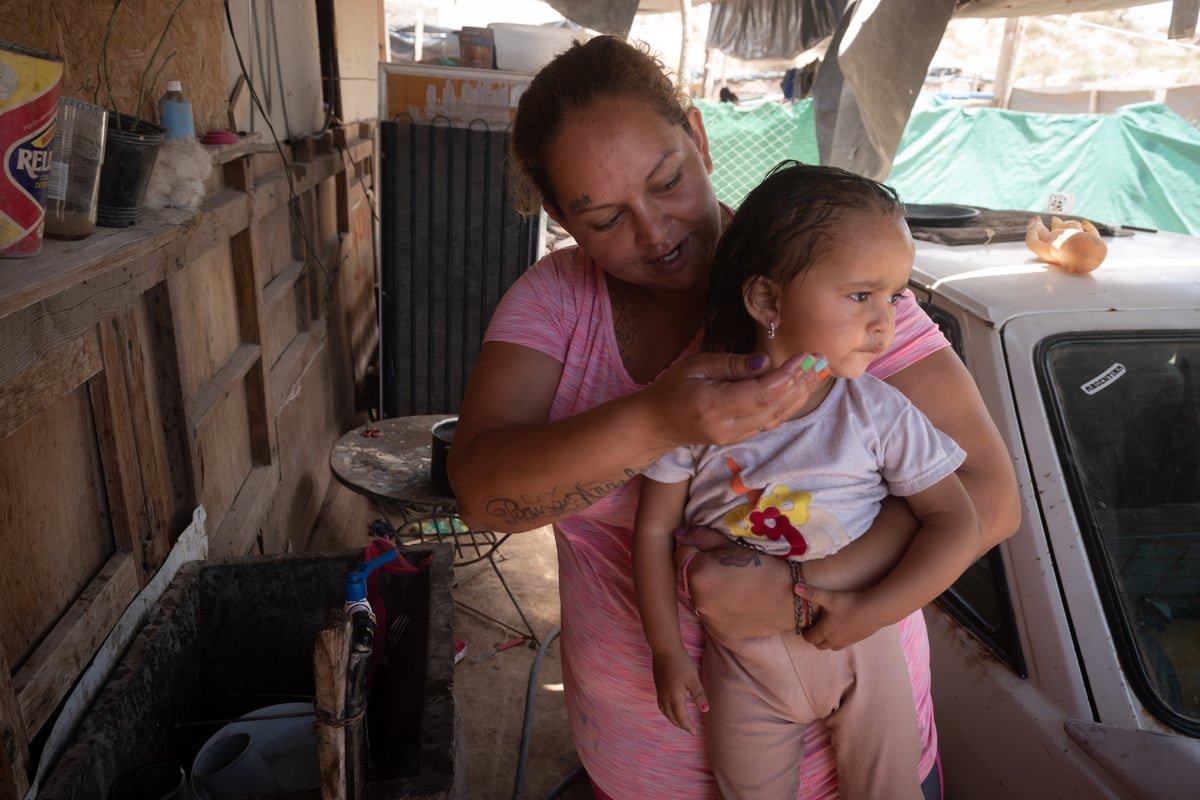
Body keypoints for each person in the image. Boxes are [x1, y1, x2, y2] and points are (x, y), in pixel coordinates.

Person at [447, 34, 1020, 800]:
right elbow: (484, 494)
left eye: (667, 181)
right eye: (606, 218)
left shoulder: (840, 286)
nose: (655, 234)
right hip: (649, 762)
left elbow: (989, 498)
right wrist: (658, 420)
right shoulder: (556, 305)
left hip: (865, 749)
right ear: (560, 216)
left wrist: (802, 587)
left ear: (700, 135)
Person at [632, 162, 982, 800]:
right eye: (860, 295)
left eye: (895, 296)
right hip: (741, 664)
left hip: (864, 647)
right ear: (767, 301)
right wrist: (665, 650)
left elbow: (958, 521)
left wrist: (874, 610)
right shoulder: (698, 412)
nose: (886, 323)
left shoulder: (877, 411)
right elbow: (652, 529)